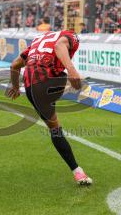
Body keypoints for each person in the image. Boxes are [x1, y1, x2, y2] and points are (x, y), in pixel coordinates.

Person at [8, 30, 92, 185]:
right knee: (64, 76)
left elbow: (14, 66)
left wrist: (15, 86)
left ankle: (78, 172)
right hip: (50, 81)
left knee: (55, 129)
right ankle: (68, 86)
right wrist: (72, 71)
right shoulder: (70, 35)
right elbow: (60, 45)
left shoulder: (36, 41)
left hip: (31, 89)